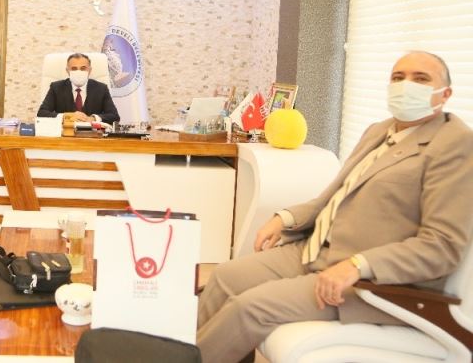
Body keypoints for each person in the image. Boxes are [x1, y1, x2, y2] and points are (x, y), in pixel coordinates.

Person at [196, 51, 473, 362]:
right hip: (316, 250)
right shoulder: (380, 130)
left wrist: (358, 265)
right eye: (398, 78)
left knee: (249, 308)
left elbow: (442, 246)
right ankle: (177, 353)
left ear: (445, 94)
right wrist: (286, 218)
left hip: (368, 280)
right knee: (225, 277)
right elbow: (336, 195)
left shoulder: (455, 144)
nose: (406, 85)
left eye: (421, 79)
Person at [37, 52, 120, 124]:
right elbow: (42, 113)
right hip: (65, 133)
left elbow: (114, 116)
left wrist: (93, 118)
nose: (78, 71)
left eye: (83, 68)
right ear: (67, 71)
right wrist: (67, 116)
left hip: (92, 134)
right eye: (74, 69)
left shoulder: (101, 88)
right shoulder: (56, 87)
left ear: (90, 70)